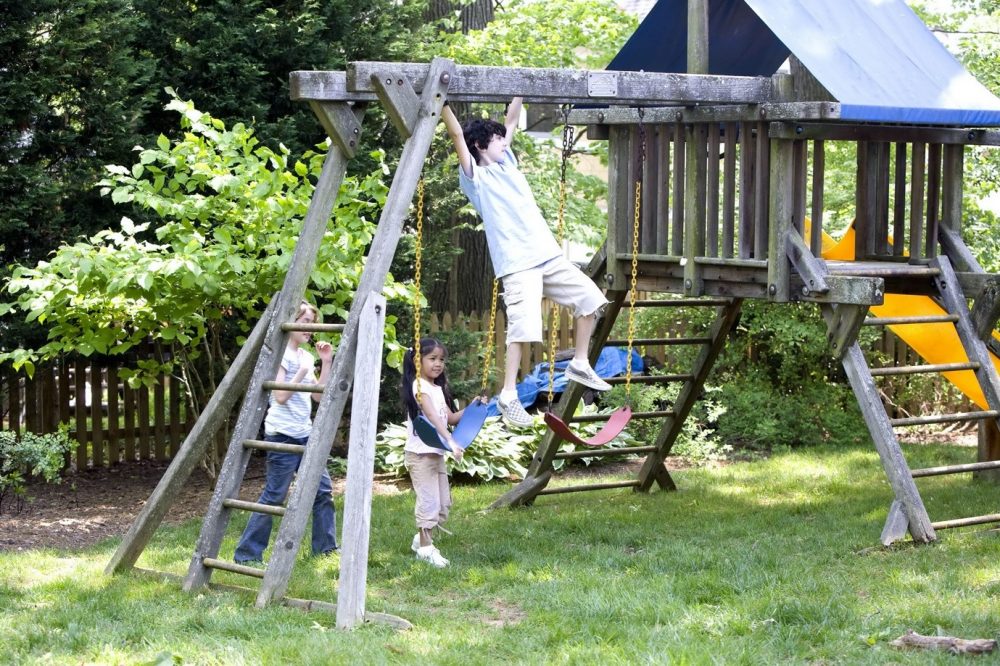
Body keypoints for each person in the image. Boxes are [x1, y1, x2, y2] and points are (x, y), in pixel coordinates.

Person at [441, 97, 611, 430]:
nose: (505, 142)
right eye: (498, 140)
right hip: (518, 264)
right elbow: (458, 135)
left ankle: (579, 362)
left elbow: (513, 120)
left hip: (547, 255)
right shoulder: (476, 176)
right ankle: (507, 394)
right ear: (480, 145)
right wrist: (442, 104)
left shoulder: (509, 165)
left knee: (590, 299)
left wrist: (519, 91)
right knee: (524, 328)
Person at [234, 301, 337, 565]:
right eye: (305, 322)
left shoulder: (305, 356)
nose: (310, 329)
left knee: (323, 490)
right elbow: (279, 396)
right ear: (291, 323)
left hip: (305, 433)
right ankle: (247, 554)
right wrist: (301, 373)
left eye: (313, 324)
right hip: (282, 434)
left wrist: (325, 362)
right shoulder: (282, 355)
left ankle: (325, 549)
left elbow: (317, 397)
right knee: (275, 495)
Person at [400, 337, 465, 568]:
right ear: (418, 361)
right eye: (433, 359)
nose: (438, 364)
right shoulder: (419, 387)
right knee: (428, 503)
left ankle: (420, 539)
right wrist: (450, 440)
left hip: (436, 454)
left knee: (443, 506)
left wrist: (475, 407)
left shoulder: (438, 388)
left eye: (441, 360)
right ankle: (426, 550)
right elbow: (432, 418)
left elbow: (451, 418)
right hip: (420, 455)